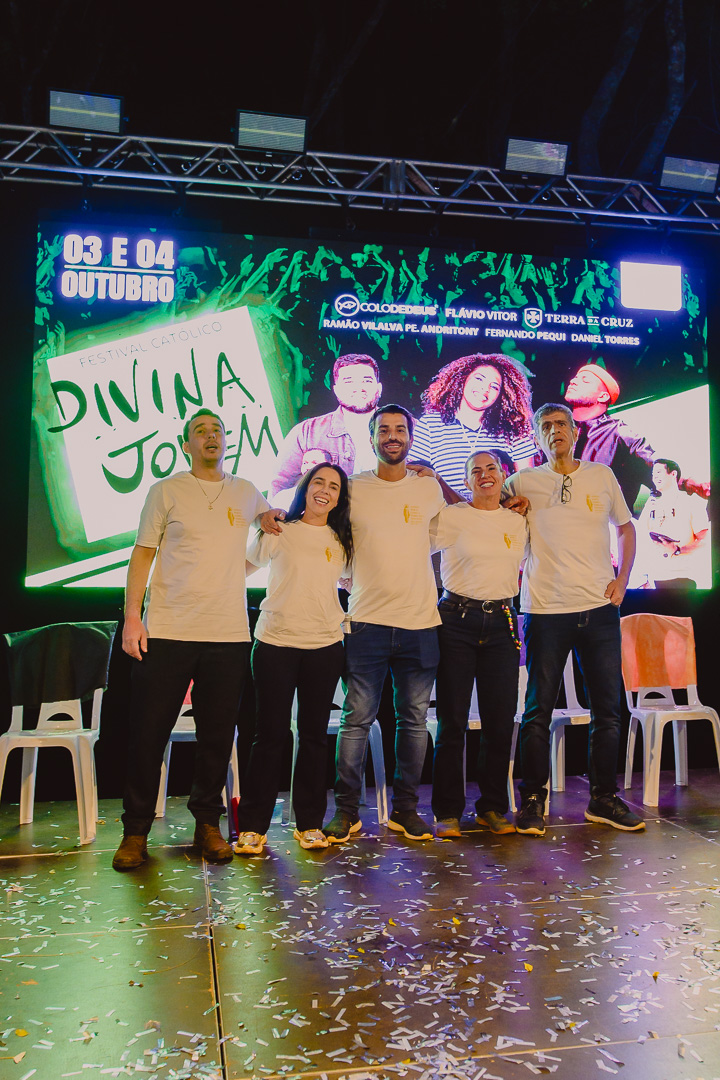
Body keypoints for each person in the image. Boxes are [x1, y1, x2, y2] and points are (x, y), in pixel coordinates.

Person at [112, 408, 277, 870]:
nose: (210, 436)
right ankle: (135, 830)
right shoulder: (165, 490)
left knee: (217, 738)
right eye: (200, 431)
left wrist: (238, 568)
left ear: (227, 441)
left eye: (217, 430)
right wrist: (132, 617)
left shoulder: (246, 491)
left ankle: (208, 824)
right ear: (186, 445)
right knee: (148, 736)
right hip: (167, 631)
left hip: (227, 635)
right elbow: (142, 554)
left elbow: (273, 529)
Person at [506, 403, 645, 837]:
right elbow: (486, 511)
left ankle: (603, 798)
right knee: (537, 710)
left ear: (574, 431)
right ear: (537, 437)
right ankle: (533, 799)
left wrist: (622, 581)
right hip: (545, 610)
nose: (555, 431)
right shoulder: (521, 481)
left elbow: (626, 527)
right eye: (545, 426)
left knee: (608, 709)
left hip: (599, 609)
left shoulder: (601, 475)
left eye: (561, 424)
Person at [322, 404, 446, 843]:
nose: (392, 436)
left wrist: (436, 476)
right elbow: (327, 534)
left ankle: (405, 810)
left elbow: (451, 528)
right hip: (365, 622)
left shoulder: (428, 488)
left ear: (410, 437)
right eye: (384, 430)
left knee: (413, 722)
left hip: (420, 622)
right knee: (356, 720)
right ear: (371, 437)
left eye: (400, 429)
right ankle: (347, 812)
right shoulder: (352, 488)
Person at [234, 463, 353, 856]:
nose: (325, 490)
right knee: (268, 735)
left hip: (325, 645)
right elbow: (244, 565)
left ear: (339, 498)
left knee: (315, 737)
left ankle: (310, 824)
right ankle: (252, 827)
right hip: (275, 643)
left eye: (334, 486)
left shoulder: (342, 539)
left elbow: (351, 579)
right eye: (319, 482)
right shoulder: (280, 528)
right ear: (305, 486)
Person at [430, 451, 528, 838]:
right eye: (476, 471)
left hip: (503, 621)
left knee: (500, 721)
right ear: (466, 481)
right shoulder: (451, 516)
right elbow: (408, 547)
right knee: (452, 720)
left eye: (491, 469)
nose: (484, 475)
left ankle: (492, 808)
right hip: (456, 620)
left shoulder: (519, 520)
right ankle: (447, 812)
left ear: (503, 476)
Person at [410, 353, 536, 498]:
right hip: (444, 509)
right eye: (479, 379)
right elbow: (416, 475)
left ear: (502, 394)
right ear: (462, 379)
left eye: (494, 386)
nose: (485, 389)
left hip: (497, 510)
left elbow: (526, 484)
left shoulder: (514, 430)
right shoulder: (430, 424)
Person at [270, 354, 382, 497]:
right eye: (349, 382)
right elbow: (279, 487)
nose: (358, 388)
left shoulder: (406, 429)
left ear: (379, 388)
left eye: (366, 381)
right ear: (336, 390)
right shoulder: (306, 432)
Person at [564, 363, 655, 513]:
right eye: (575, 378)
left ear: (603, 396)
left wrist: (686, 482)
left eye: (585, 380)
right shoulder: (553, 429)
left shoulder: (619, 432)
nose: (573, 381)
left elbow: (658, 469)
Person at [636, 458, 710, 589]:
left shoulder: (691, 502)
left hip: (683, 577)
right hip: (656, 577)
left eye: (659, 472)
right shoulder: (651, 504)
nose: (655, 477)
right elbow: (640, 537)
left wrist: (678, 550)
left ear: (673, 474)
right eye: (653, 474)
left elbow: (705, 540)